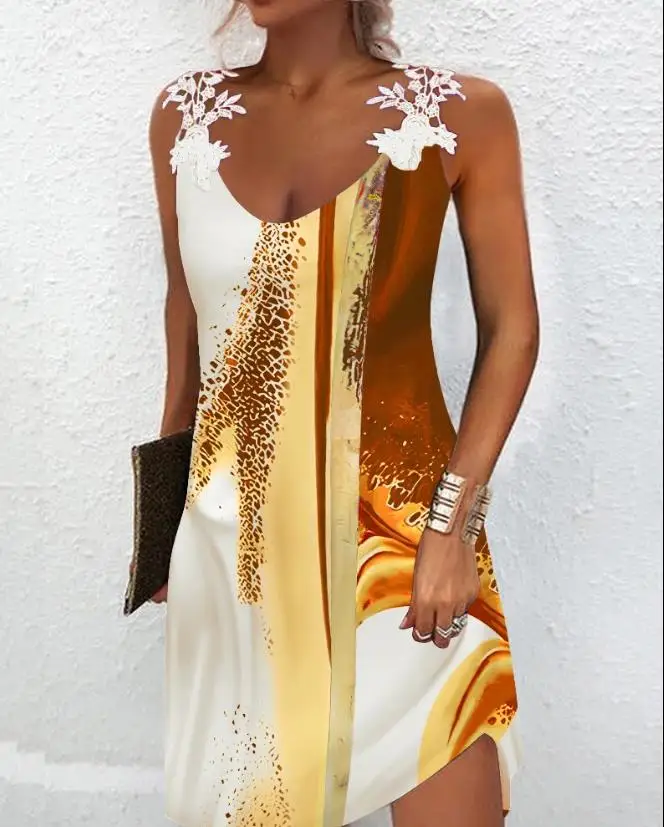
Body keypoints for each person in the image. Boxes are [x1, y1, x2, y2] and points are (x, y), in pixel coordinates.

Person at [146, 0, 539, 824]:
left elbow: (512, 330)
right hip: (236, 567)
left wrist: (452, 528)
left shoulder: (459, 115)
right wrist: (158, 532)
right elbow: (185, 322)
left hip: (406, 562)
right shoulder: (185, 117)